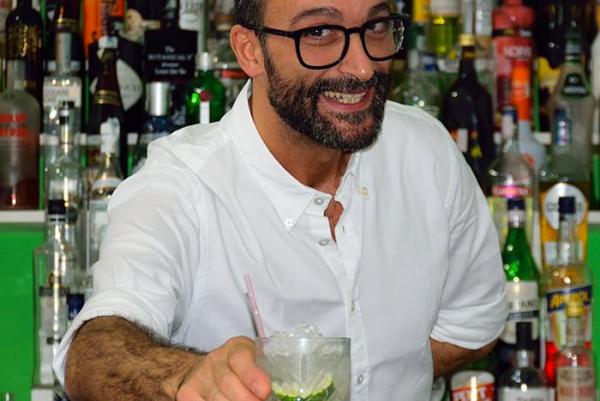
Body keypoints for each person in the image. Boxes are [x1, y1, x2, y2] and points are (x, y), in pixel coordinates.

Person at [55, 0, 508, 399]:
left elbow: (471, 327)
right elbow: (93, 353)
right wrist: (186, 377)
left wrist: (381, 376)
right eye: (319, 32)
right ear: (249, 50)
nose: (362, 67)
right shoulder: (180, 186)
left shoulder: (424, 151)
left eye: (375, 27)